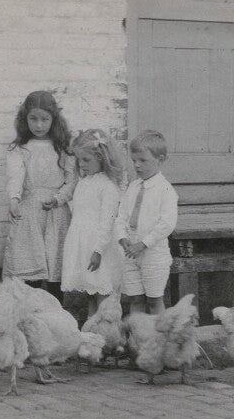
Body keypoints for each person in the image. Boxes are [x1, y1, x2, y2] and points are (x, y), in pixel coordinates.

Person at [3, 90, 77, 302]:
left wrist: (58, 198)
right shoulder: (20, 148)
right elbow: (15, 176)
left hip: (55, 210)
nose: (39, 125)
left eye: (44, 119)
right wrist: (14, 199)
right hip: (30, 210)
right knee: (31, 264)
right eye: (33, 119)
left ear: (53, 119)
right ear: (25, 119)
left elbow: (70, 180)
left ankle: (56, 311)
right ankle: (33, 312)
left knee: (55, 263)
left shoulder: (62, 147)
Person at [61, 129, 124, 318]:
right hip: (84, 245)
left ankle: (108, 335)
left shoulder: (107, 186)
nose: (81, 164)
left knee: (102, 293)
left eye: (86, 160)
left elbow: (107, 223)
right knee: (90, 291)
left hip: (99, 248)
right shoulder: (84, 182)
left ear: (102, 158)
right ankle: (92, 332)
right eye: (79, 160)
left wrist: (98, 250)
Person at [114, 129, 178, 315]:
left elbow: (166, 224)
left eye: (143, 161)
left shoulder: (165, 190)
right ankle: (138, 338)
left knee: (154, 299)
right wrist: (122, 238)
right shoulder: (133, 187)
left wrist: (143, 244)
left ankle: (160, 340)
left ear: (160, 159)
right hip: (130, 251)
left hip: (153, 253)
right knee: (135, 298)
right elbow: (121, 216)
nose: (137, 165)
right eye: (134, 161)